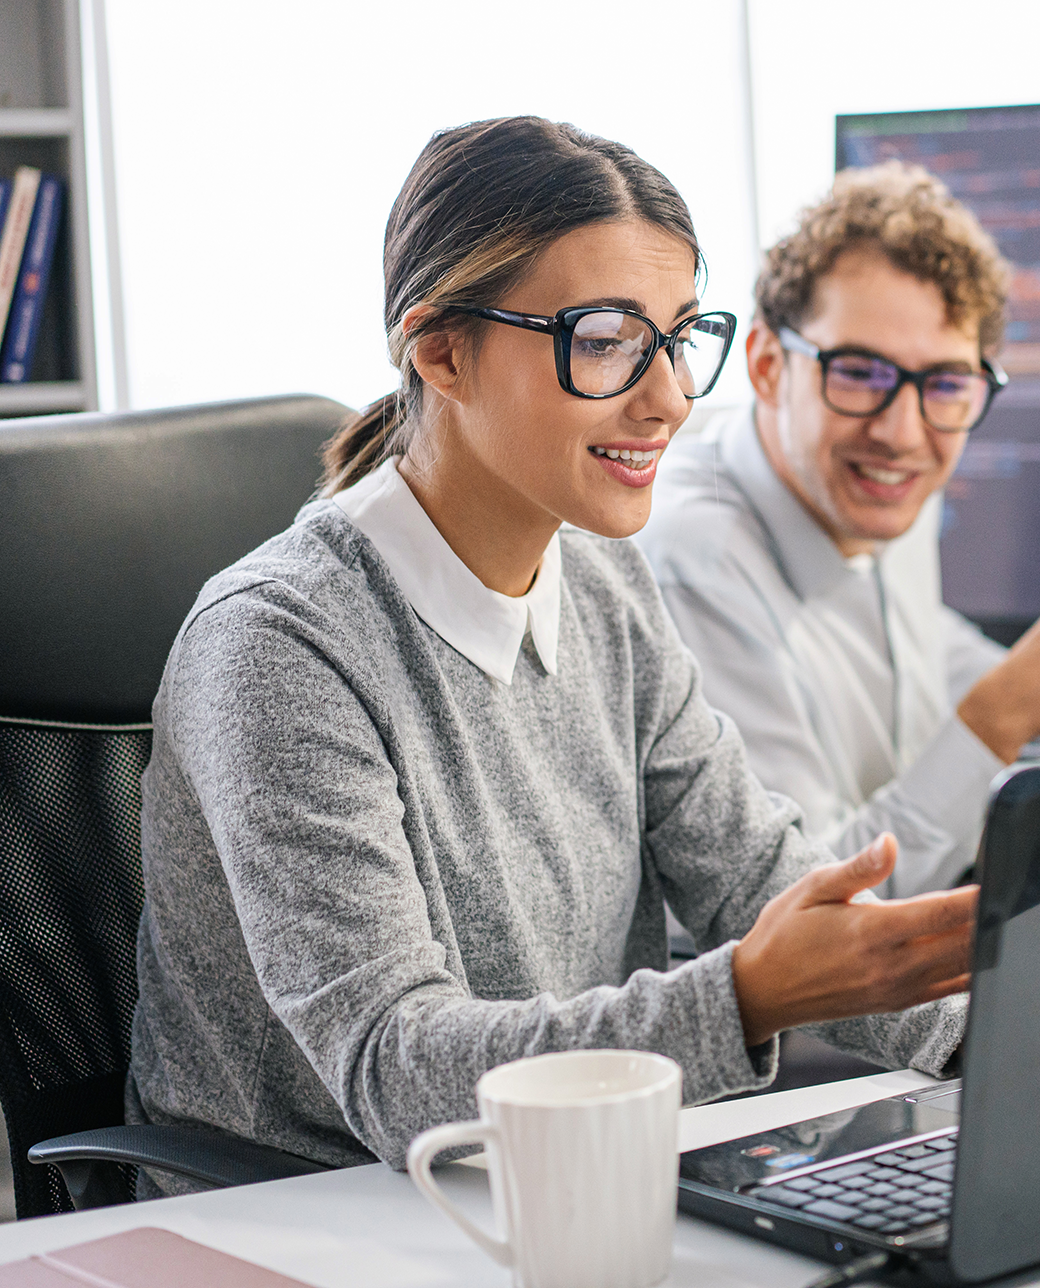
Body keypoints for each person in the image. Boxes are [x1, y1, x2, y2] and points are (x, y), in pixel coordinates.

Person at [127, 117, 974, 1188]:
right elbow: (395, 1066)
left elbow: (757, 875)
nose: (667, 396)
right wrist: (747, 996)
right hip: (306, 1208)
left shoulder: (606, 585)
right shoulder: (277, 644)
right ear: (439, 348)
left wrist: (998, 1032)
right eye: (608, 338)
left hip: (562, 1178)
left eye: (677, 338)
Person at [639, 163, 1040, 899]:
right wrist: (1007, 712)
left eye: (945, 384)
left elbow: (912, 643)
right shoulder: (698, 563)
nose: (901, 432)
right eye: (859, 373)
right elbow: (813, 911)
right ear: (769, 365)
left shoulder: (873, 484)